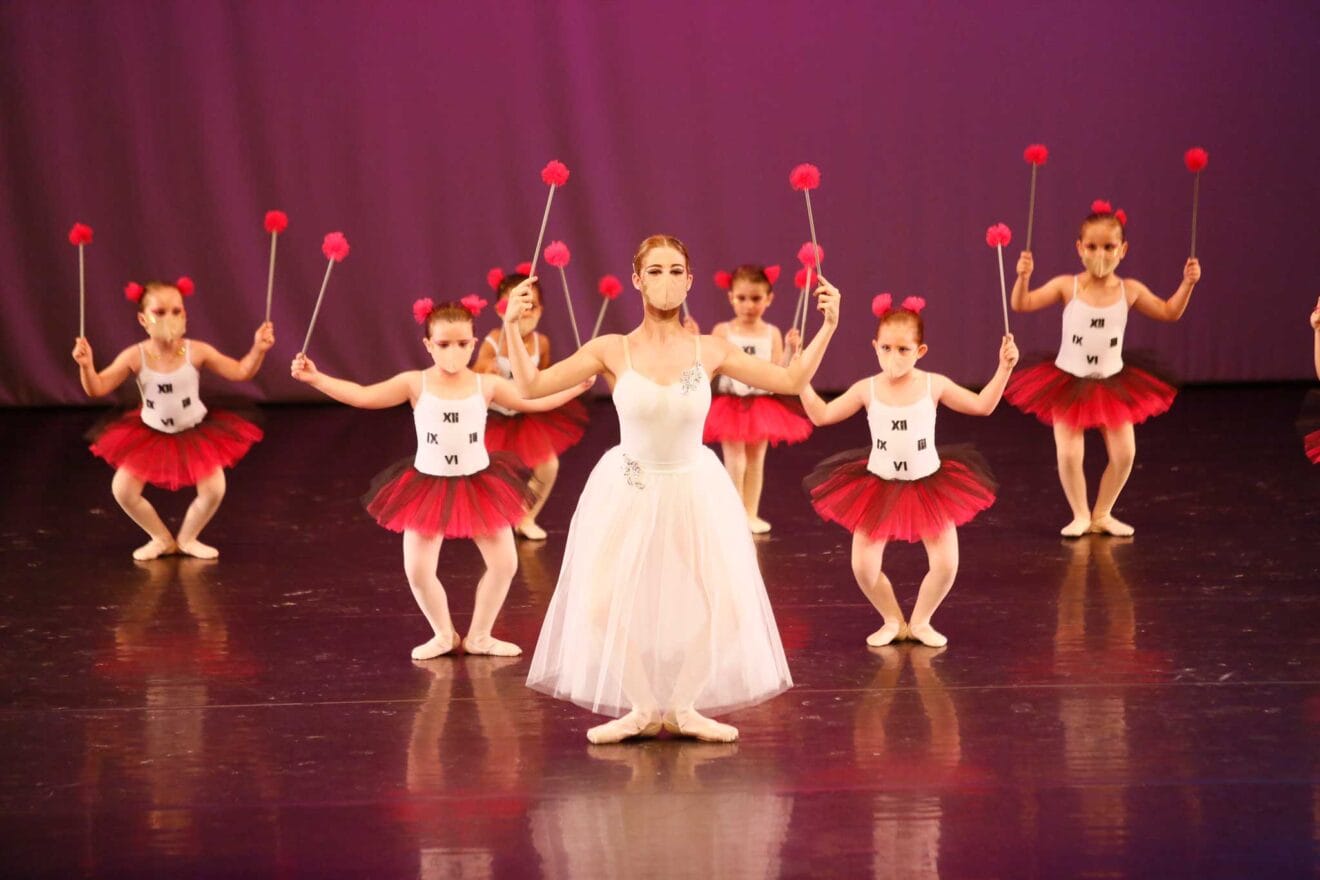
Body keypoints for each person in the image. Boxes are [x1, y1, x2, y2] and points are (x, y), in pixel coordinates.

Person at [509, 234, 840, 744]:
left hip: (693, 484)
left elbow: (792, 379)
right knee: (597, 601)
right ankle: (642, 706)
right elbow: (531, 388)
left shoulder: (711, 350)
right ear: (638, 279)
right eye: (655, 271)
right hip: (631, 481)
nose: (666, 280)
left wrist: (829, 326)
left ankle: (684, 705)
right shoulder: (611, 349)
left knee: (728, 602)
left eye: (675, 270)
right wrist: (511, 326)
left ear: (689, 279)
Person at [290, 297, 589, 660]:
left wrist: (576, 388)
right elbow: (364, 397)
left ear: (474, 342)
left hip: (480, 484)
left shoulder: (486, 384)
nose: (454, 351)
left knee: (505, 564)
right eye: (444, 344)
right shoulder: (414, 383)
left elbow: (534, 402)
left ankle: (480, 635)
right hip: (427, 485)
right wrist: (316, 377)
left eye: (462, 344)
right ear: (428, 345)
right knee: (417, 571)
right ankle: (443, 634)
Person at [801, 294, 1017, 648]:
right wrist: (803, 382)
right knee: (863, 567)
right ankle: (891, 618)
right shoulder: (866, 389)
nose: (893, 357)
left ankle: (920, 620)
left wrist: (1004, 368)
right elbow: (822, 415)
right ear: (874, 346)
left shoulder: (934, 384)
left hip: (929, 486)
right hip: (878, 487)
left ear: (920, 351)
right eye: (885, 348)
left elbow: (983, 406)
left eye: (903, 350)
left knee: (946, 565)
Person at [1007, 201, 1201, 536]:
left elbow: (1170, 312)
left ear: (1122, 250)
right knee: (1069, 454)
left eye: (1109, 247)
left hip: (1113, 383)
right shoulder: (1068, 286)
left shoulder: (1130, 290)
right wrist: (1022, 278)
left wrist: (1188, 283)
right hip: (1068, 381)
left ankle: (1103, 512)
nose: (1101, 254)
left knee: (1125, 454)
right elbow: (1021, 304)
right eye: (1092, 246)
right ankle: (1080, 514)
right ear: (1079, 248)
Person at [72, 277, 273, 560]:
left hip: (194, 430)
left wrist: (258, 350)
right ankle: (161, 539)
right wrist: (86, 366)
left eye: (176, 311)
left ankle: (188, 538)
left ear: (185, 315)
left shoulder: (197, 351)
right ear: (143, 319)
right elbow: (97, 387)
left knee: (214, 489)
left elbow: (241, 372)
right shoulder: (135, 355)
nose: (170, 318)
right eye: (160, 312)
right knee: (123, 490)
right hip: (149, 432)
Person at [473, 269, 590, 540]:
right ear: (501, 308)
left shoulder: (542, 342)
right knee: (493, 472)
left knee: (548, 466)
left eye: (532, 305)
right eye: (518, 304)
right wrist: (484, 368)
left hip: (528, 418)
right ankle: (496, 521)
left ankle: (526, 516)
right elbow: (476, 371)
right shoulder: (492, 341)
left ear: (541, 309)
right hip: (496, 419)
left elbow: (544, 377)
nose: (525, 312)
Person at [703, 264, 811, 533]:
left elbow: (779, 370)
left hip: (761, 405)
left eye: (756, 298)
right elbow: (707, 362)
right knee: (735, 459)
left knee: (755, 460)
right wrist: (695, 337)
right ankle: (733, 513)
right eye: (741, 298)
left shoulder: (771, 332)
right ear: (730, 298)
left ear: (769, 298)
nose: (749, 305)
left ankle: (750, 513)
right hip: (729, 404)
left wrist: (790, 348)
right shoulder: (722, 330)